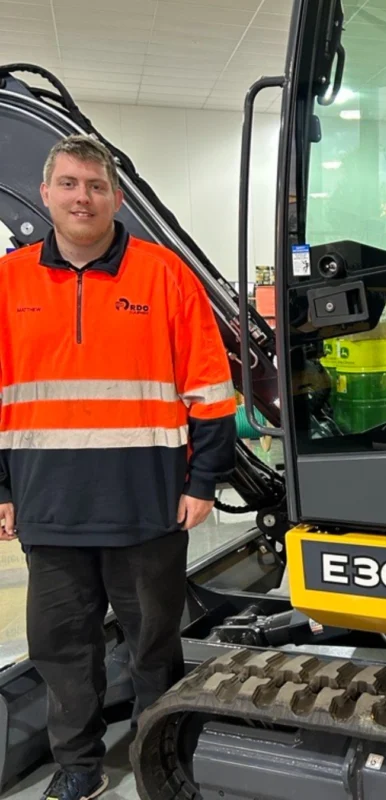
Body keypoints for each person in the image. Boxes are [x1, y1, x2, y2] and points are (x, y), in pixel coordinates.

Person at [0, 135, 237, 800]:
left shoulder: (164, 275)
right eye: (70, 184)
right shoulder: (8, 281)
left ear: (117, 197)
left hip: (150, 507)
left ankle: (156, 756)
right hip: (49, 511)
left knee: (153, 650)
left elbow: (210, 387)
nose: (84, 196)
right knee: (62, 653)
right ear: (45, 194)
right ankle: (77, 768)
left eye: (97, 186)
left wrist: (204, 481)